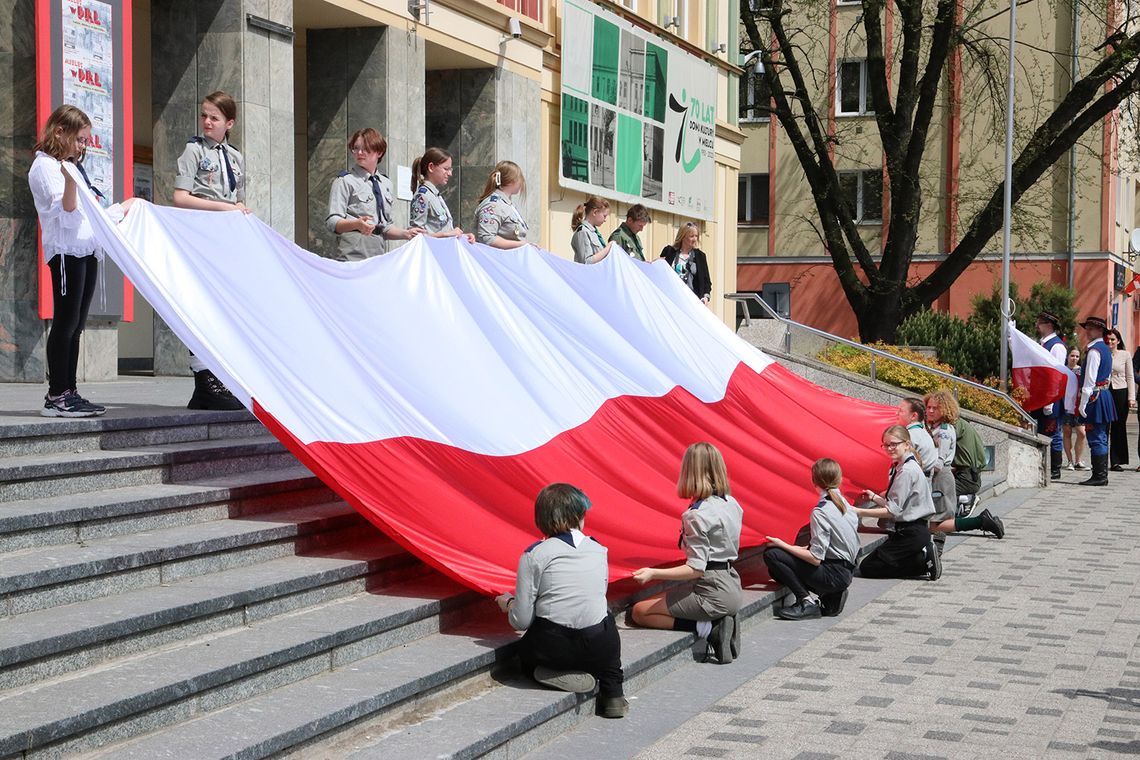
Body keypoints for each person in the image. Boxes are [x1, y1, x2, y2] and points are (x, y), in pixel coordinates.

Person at [29, 105, 136, 417]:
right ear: (59, 132)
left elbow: (93, 215)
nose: (83, 146)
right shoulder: (45, 167)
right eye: (79, 139)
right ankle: (56, 396)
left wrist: (125, 208)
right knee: (64, 323)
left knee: (75, 326)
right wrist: (71, 181)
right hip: (66, 252)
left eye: (86, 141)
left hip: (86, 250)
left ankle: (70, 391)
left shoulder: (71, 167)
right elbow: (67, 212)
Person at [494, 483, 628, 719]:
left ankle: (549, 673)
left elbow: (521, 621)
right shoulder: (599, 549)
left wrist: (508, 603)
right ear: (579, 516)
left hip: (554, 648)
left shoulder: (535, 554)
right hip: (599, 646)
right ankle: (613, 692)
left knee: (523, 655)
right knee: (606, 620)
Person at [630, 442, 743, 665]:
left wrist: (653, 573)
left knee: (640, 611)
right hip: (731, 581)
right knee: (657, 601)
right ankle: (716, 622)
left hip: (712, 590)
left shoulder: (696, 515)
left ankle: (709, 628)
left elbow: (696, 568)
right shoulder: (731, 502)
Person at [172, 91, 249, 412]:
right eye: (204, 115)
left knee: (223, 309)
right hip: (200, 236)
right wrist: (225, 208)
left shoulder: (235, 157)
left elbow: (239, 199)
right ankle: (203, 378)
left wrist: (240, 210)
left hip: (226, 242)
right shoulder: (193, 151)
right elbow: (180, 197)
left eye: (214, 118)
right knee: (199, 307)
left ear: (229, 123)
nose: (207, 122)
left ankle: (220, 375)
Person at [763, 458, 860, 621]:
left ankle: (806, 602)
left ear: (813, 480)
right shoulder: (845, 504)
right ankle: (829, 595)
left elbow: (815, 558)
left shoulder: (821, 511)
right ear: (840, 479)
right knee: (776, 570)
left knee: (772, 555)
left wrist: (782, 545)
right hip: (845, 571)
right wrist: (790, 548)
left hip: (833, 574)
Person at [851, 425, 941, 581]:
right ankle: (920, 559)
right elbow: (895, 503)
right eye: (886, 445)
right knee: (871, 565)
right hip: (912, 531)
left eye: (894, 444)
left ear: (906, 444)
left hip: (912, 532)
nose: (889, 448)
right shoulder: (905, 466)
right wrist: (873, 497)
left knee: (868, 568)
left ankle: (922, 561)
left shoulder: (906, 471)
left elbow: (892, 511)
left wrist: (858, 511)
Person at [326, 127, 424, 262]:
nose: (360, 153)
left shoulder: (386, 184)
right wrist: (356, 224)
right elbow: (333, 221)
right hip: (351, 253)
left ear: (379, 152)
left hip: (378, 252)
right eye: (356, 148)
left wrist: (406, 234)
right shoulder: (345, 180)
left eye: (366, 148)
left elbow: (385, 226)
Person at [1076, 316, 1117, 486]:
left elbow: (1089, 381)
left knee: (1096, 436)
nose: (1088, 331)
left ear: (1100, 331)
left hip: (1095, 397)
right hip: (1104, 395)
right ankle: (1100, 474)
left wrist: (1083, 403)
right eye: (1087, 327)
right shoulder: (1105, 349)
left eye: (1091, 328)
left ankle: (1100, 476)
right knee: (1101, 435)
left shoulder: (1094, 351)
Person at [408, 147, 474, 242]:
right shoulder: (422, 196)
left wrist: (463, 236)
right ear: (431, 167)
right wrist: (447, 235)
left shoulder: (435, 195)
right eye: (446, 169)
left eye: (450, 169)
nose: (450, 173)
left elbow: (441, 228)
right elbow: (416, 236)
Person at [1033, 311, 1067, 480]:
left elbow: (1055, 375)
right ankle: (1046, 465)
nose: (1037, 325)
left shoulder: (1057, 346)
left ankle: (1055, 469)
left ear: (1049, 325)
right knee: (1042, 431)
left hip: (1050, 398)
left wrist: (1050, 401)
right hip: (1041, 396)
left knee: (1052, 432)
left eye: (1040, 322)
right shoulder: (1043, 343)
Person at [473, 161, 529, 249]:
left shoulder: (506, 204)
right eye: (520, 178)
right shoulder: (492, 205)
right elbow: (486, 238)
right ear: (511, 181)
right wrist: (520, 245)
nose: (522, 183)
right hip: (498, 260)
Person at [1105, 328, 1136, 471]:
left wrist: (1131, 397)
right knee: (1104, 426)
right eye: (1108, 339)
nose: (1110, 342)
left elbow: (1130, 377)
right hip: (1105, 390)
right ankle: (1101, 459)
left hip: (1120, 392)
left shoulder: (1125, 355)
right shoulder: (1101, 353)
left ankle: (1116, 461)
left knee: (1118, 426)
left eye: (1113, 339)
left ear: (1118, 341)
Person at [659, 222, 712, 304]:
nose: (695, 239)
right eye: (691, 236)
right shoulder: (669, 252)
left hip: (692, 301)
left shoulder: (700, 256)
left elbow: (706, 282)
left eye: (696, 236)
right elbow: (660, 273)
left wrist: (706, 297)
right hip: (671, 300)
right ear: (683, 237)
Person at [1062, 347, 1088, 470]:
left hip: (1078, 404)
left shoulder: (1082, 371)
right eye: (1072, 355)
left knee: (1082, 433)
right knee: (1067, 432)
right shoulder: (1062, 369)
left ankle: (1079, 460)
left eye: (1077, 356)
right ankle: (1070, 461)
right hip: (1066, 405)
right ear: (1067, 356)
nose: (1075, 358)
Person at [570, 195, 614, 264]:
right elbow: (586, 261)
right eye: (604, 216)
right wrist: (607, 248)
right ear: (595, 212)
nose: (605, 220)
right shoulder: (583, 232)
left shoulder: (594, 232)